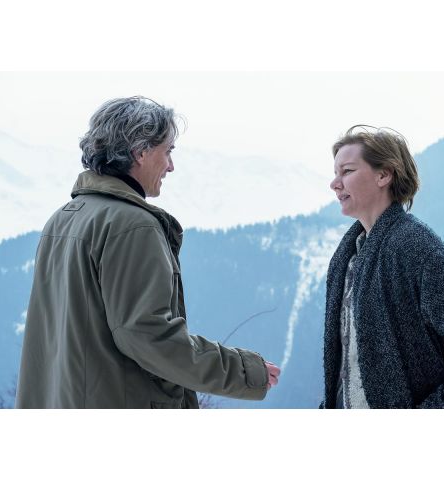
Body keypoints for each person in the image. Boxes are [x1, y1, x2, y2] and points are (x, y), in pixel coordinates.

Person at [16, 96, 280, 408]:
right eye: (167, 151)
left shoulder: (63, 219)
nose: (171, 166)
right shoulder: (132, 225)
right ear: (140, 152)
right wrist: (244, 371)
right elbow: (147, 335)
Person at [322, 125, 444, 408]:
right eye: (336, 173)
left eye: (347, 171)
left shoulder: (413, 246)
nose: (335, 183)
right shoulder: (346, 258)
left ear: (384, 175)